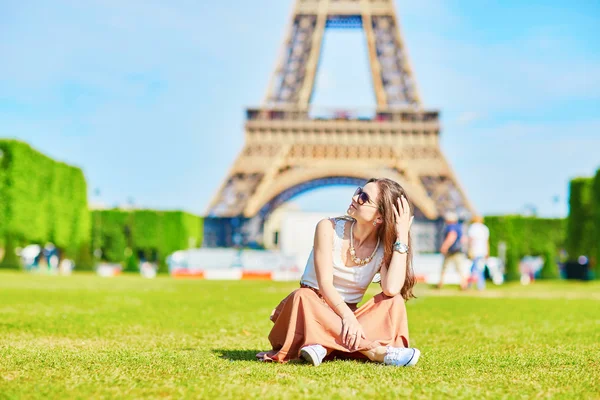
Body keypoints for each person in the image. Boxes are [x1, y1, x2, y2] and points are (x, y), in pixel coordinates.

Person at [256, 178, 421, 367]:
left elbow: (391, 288)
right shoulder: (328, 227)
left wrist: (402, 238)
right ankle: (373, 351)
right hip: (313, 311)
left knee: (394, 301)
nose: (355, 197)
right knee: (302, 295)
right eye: (359, 191)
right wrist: (348, 318)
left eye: (364, 197)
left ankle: (323, 345)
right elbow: (324, 284)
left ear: (380, 217)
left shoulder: (383, 247)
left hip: (348, 317)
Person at [438, 211, 467, 290]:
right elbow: (463, 239)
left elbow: (451, 237)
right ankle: (464, 284)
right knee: (460, 268)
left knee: (444, 267)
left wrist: (445, 246)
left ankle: (440, 283)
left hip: (451, 250)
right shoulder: (459, 226)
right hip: (458, 250)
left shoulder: (451, 227)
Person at [467, 215, 489, 290]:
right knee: (478, 268)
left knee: (474, 269)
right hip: (482, 251)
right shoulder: (484, 228)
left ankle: (472, 285)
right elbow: (486, 241)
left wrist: (469, 249)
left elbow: (471, 240)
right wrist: (487, 252)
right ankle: (479, 285)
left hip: (475, 251)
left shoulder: (473, 227)